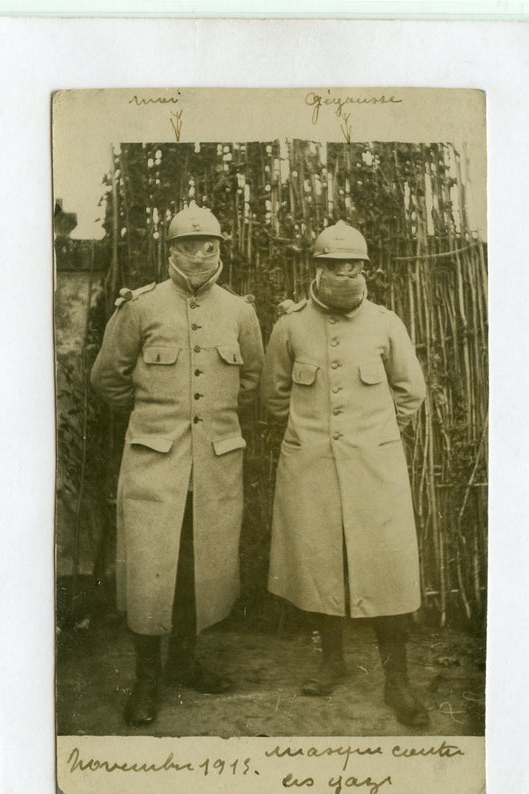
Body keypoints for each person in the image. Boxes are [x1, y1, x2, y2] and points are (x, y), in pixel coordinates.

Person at [91, 202, 264, 727]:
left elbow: (251, 381)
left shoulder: (240, 312)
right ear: (170, 251)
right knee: (149, 571)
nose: (197, 254)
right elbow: (108, 379)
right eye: (186, 245)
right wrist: (155, 416)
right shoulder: (140, 308)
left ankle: (186, 663)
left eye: (207, 245)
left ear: (220, 250)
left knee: (200, 567)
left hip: (213, 465)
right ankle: (147, 679)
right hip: (154, 463)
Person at [261, 220, 429, 727]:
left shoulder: (386, 323)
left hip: (374, 469)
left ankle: (396, 681)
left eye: (352, 265)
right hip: (310, 466)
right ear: (317, 268)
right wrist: (314, 435)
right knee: (320, 564)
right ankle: (331, 661)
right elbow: (273, 397)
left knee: (387, 570)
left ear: (365, 268)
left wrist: (374, 435)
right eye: (333, 265)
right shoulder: (289, 326)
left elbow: (410, 391)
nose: (343, 273)